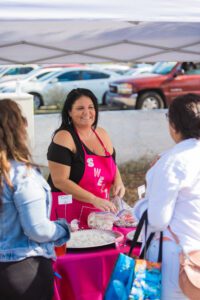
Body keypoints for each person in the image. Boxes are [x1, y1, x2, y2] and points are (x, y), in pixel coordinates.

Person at [0, 99, 70, 300]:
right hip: (23, 271)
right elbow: (37, 229)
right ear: (18, 129)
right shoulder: (22, 175)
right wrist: (63, 229)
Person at [133, 93, 200, 299]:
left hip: (177, 257)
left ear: (173, 125)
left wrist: (142, 203)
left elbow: (158, 219)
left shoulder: (172, 160)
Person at [47, 88, 125, 226]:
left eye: (91, 107)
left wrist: (118, 181)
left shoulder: (101, 133)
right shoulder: (64, 137)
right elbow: (60, 181)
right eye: (80, 108)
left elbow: (112, 163)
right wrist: (93, 199)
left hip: (100, 213)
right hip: (69, 215)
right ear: (69, 112)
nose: (87, 112)